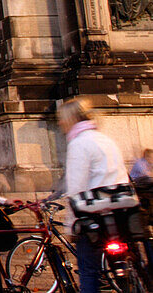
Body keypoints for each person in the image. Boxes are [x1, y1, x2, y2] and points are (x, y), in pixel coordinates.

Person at [58, 98, 129, 293]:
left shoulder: (78, 143)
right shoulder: (105, 138)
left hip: (94, 216)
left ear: (70, 119)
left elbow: (76, 190)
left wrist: (71, 226)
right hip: (120, 212)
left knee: (89, 272)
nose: (60, 123)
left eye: (61, 119)